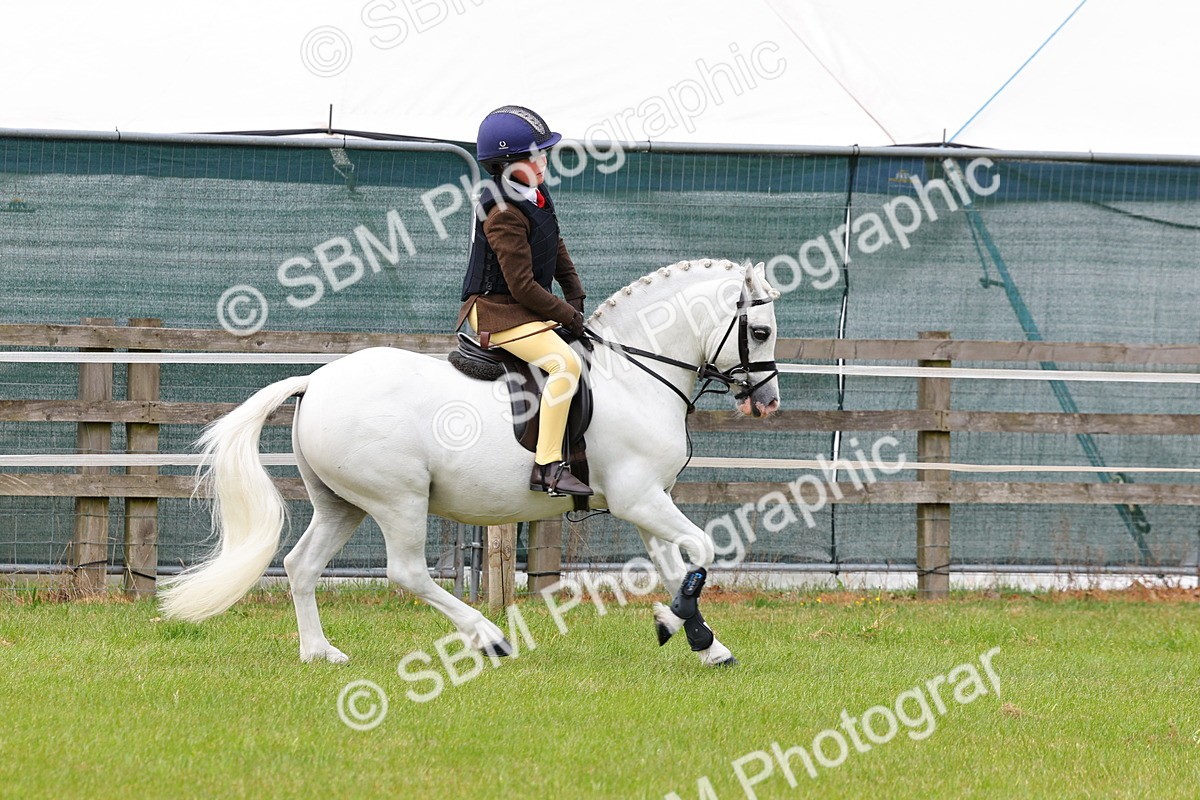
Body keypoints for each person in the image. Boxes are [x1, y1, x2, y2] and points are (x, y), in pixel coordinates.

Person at [456, 105, 593, 497]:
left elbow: (555, 242)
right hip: (495, 311)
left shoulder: (535, 193)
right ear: (508, 164)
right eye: (536, 154)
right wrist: (567, 315)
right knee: (564, 364)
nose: (544, 159)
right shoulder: (501, 212)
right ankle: (548, 467)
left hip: (521, 305)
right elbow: (522, 288)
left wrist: (575, 293)